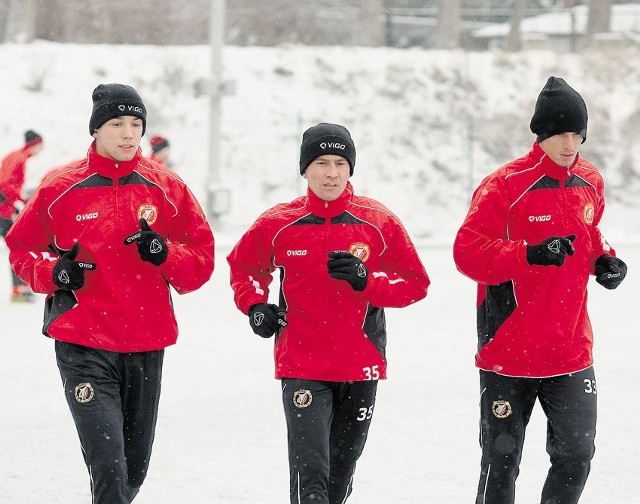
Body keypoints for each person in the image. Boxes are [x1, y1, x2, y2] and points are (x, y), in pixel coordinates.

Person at [5, 83, 215, 504]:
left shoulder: (167, 188)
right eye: (117, 123)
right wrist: (54, 272)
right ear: (96, 129)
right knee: (109, 467)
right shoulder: (60, 185)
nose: (127, 133)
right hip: (82, 341)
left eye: (136, 123)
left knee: (132, 471)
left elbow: (200, 264)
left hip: (145, 340)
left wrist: (165, 254)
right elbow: (21, 246)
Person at [227, 123, 430, 504]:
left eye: (340, 163)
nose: (331, 173)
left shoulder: (378, 221)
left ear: (351, 169)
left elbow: (415, 284)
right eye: (321, 163)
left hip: (360, 364)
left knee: (339, 477)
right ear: (305, 170)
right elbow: (246, 267)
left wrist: (367, 280)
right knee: (311, 479)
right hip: (302, 363)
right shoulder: (279, 222)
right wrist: (255, 307)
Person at [453, 76, 627, 504]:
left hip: (570, 350)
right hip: (508, 353)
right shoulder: (505, 186)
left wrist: (604, 259)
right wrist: (527, 254)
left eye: (577, 134)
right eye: (560, 133)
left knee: (577, 456)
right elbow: (467, 253)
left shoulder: (590, 180)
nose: (570, 143)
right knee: (501, 466)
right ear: (541, 134)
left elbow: (590, 233)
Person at [0, 129, 44, 302]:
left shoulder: (16, 156)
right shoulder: (19, 158)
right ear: (35, 144)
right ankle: (19, 290)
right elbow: (4, 184)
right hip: (2, 212)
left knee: (17, 245)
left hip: (5, 210)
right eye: (40, 145)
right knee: (18, 246)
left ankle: (20, 289)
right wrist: (22, 199)